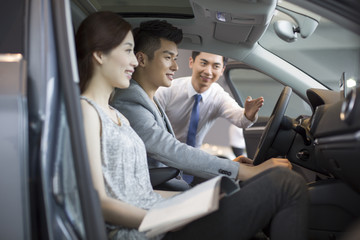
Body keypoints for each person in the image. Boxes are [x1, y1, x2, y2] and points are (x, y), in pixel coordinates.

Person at [77, 12, 308, 240]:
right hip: (145, 230)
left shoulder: (118, 115)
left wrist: (194, 203)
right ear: (99, 55)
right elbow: (95, 200)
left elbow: (139, 191)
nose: (133, 60)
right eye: (128, 51)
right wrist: (168, 216)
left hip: (159, 216)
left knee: (259, 204)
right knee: (286, 183)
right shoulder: (89, 110)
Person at [110, 20, 270, 189]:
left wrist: (231, 166)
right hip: (155, 186)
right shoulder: (130, 100)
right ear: (141, 60)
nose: (175, 66)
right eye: (167, 58)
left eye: (175, 58)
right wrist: (241, 171)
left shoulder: (149, 97)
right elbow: (170, 150)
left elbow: (240, 118)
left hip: (173, 174)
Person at [155, 51, 263, 150]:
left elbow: (241, 120)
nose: (208, 71)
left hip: (193, 157)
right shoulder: (167, 90)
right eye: (203, 63)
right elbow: (151, 125)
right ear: (191, 62)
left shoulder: (218, 95)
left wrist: (249, 114)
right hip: (163, 151)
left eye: (216, 66)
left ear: (222, 70)